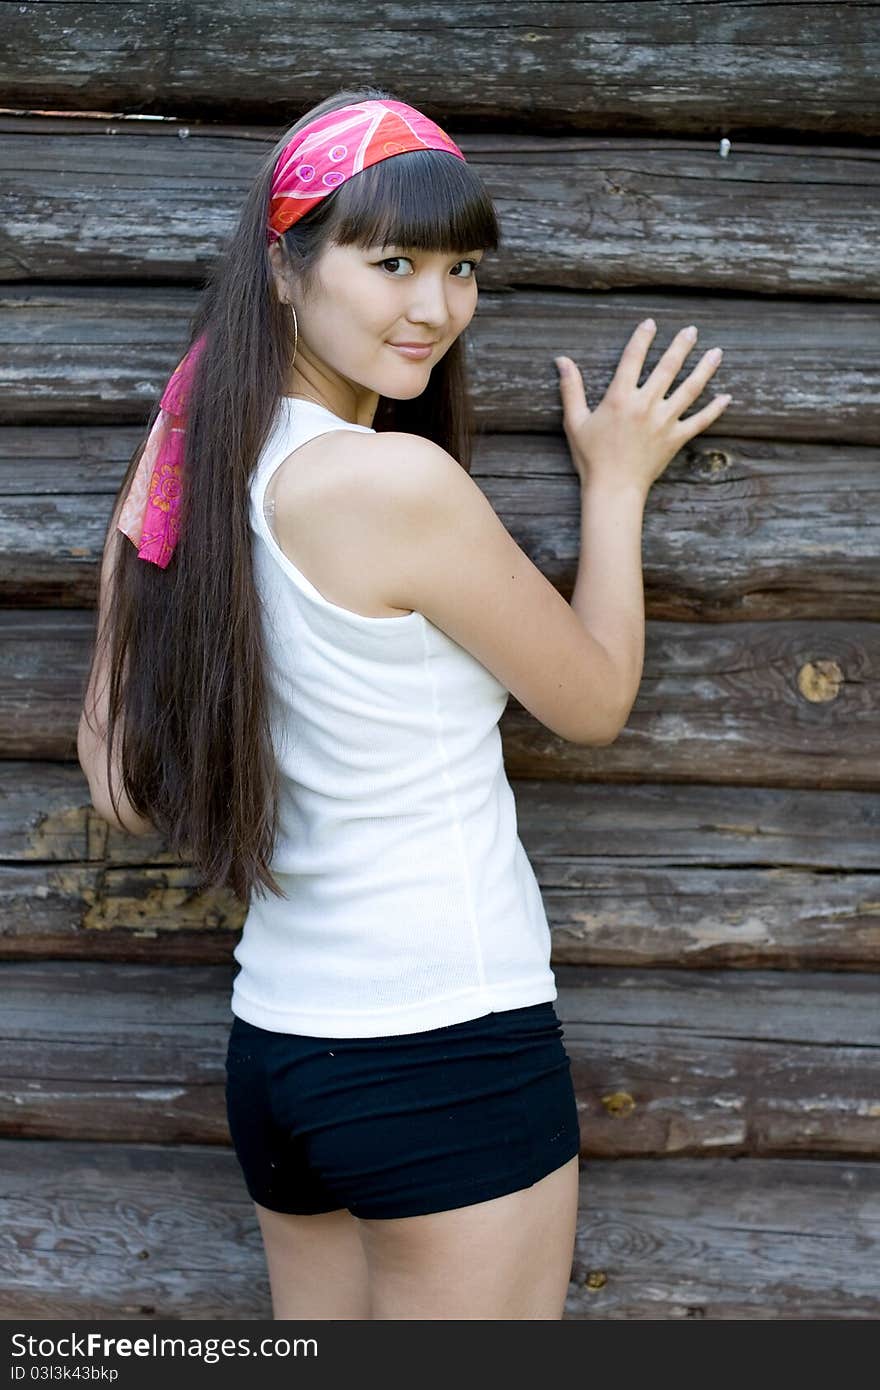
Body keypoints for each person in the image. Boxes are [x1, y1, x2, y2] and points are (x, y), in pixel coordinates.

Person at [77, 87, 730, 1320]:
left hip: (278, 1053)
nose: (436, 307)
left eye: (460, 267)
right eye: (391, 262)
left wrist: (156, 467)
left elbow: (115, 784)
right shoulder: (392, 481)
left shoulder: (195, 473)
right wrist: (619, 483)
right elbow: (590, 700)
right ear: (285, 269)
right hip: (441, 1046)